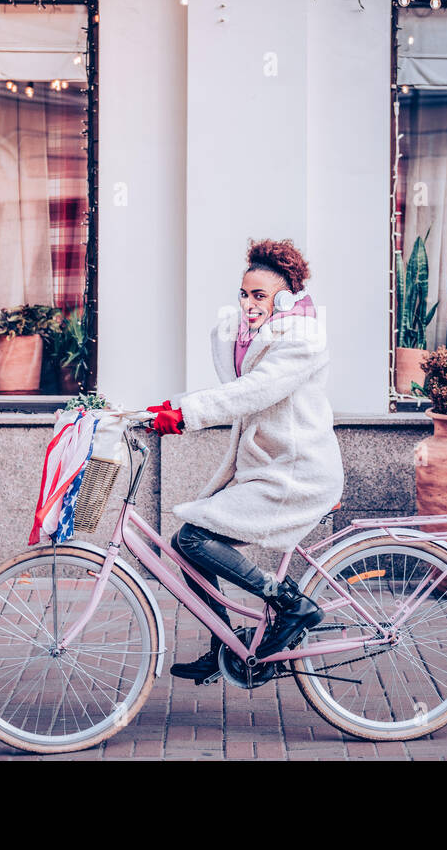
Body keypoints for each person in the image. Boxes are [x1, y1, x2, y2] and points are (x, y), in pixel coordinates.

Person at [149, 238, 345, 684]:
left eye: (260, 295)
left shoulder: (302, 339)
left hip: (298, 472)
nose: (248, 303)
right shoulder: (249, 335)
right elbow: (232, 390)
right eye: (244, 293)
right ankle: (226, 643)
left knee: (195, 540)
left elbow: (253, 391)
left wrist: (185, 415)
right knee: (187, 545)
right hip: (266, 468)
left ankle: (290, 604)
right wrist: (159, 408)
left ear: (286, 297)